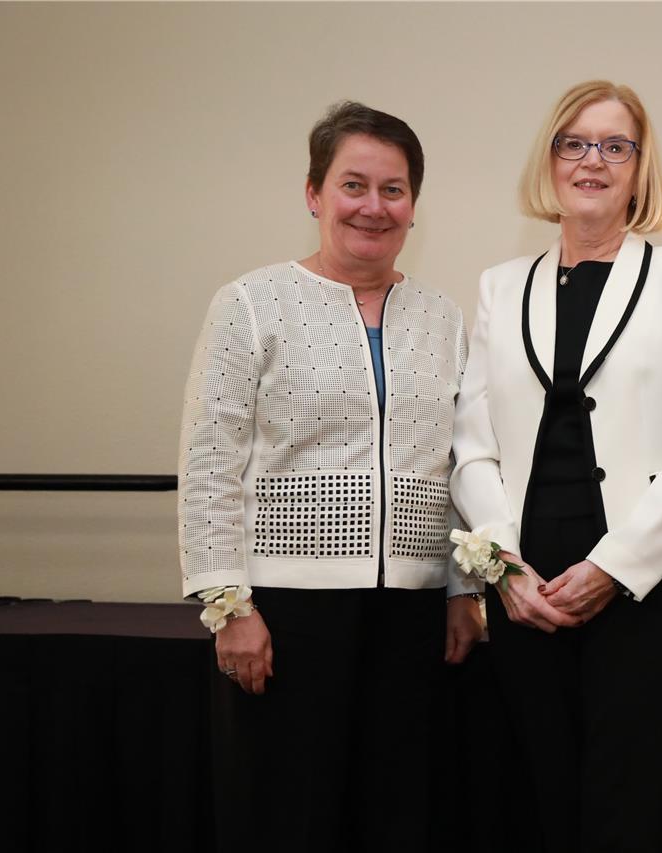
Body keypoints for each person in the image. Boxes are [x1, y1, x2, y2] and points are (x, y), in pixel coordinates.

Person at [177, 101, 483, 852]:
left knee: (398, 814)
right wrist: (228, 605)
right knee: (286, 814)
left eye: (393, 189)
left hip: (411, 613)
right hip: (283, 611)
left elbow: (456, 460)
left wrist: (461, 587)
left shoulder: (442, 317)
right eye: (354, 185)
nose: (373, 206)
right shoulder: (251, 304)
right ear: (314, 194)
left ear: (413, 205)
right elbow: (210, 459)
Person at [450, 80, 662, 853]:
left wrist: (612, 567)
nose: (592, 161)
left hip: (639, 581)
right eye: (573, 143)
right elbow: (473, 445)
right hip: (527, 585)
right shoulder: (502, 286)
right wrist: (504, 567)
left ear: (640, 168)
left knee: (629, 807)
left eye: (615, 145)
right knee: (541, 798)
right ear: (550, 160)